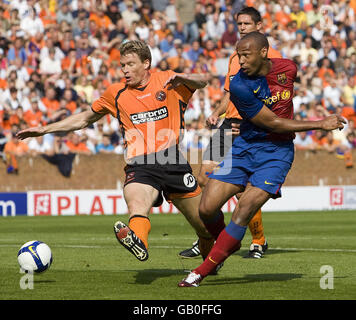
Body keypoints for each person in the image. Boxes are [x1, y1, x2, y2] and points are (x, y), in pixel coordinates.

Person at [16, 40, 217, 266]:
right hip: (140, 164)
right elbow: (84, 119)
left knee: (204, 227)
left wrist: (182, 77)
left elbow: (203, 81)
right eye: (122, 65)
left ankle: (210, 264)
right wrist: (44, 129)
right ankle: (139, 241)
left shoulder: (167, 80)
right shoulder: (116, 93)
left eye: (130, 64)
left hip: (172, 160)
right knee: (137, 204)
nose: (125, 70)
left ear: (146, 63)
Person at [178, 32, 346, 287]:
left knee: (243, 208)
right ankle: (227, 244)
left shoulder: (288, 68)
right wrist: (320, 123)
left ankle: (201, 271)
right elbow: (273, 122)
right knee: (206, 208)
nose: (240, 61)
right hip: (244, 148)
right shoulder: (238, 85)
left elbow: (282, 113)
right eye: (238, 56)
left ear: (264, 52)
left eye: (246, 55)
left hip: (276, 154)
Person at [179, 7, 282, 260]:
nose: (242, 27)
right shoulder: (235, 56)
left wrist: (258, 123)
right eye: (239, 24)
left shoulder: (274, 58)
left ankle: (258, 240)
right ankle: (211, 235)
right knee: (203, 176)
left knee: (241, 188)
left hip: (250, 126)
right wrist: (217, 112)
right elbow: (229, 93)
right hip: (229, 123)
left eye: (247, 23)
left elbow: (278, 99)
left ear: (259, 25)